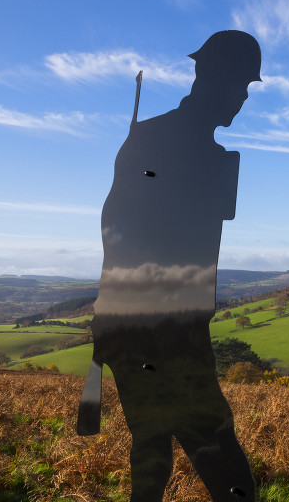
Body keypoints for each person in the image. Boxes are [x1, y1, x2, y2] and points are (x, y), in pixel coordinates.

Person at [77, 30, 262, 501]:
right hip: (160, 331)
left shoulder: (187, 148)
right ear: (209, 76)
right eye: (240, 83)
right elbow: (119, 227)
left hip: (157, 327)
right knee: (222, 460)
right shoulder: (155, 142)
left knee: (152, 451)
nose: (243, 96)